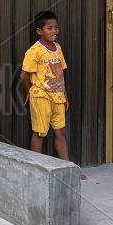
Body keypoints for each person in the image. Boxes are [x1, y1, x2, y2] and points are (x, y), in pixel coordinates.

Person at [20, 10, 87, 180]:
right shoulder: (34, 51)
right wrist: (30, 92)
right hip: (41, 96)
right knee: (40, 133)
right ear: (39, 31)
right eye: (49, 28)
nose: (54, 31)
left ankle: (69, 169)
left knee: (60, 133)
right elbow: (24, 75)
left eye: (56, 27)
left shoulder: (58, 48)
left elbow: (59, 73)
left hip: (57, 97)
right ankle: (36, 170)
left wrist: (64, 95)